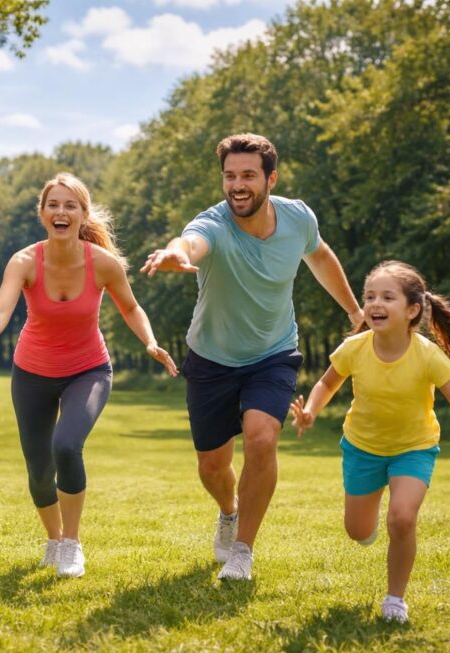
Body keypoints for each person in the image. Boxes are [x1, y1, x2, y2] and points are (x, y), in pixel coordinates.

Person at [140, 133, 364, 581]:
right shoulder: (213, 224)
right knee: (212, 465)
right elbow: (190, 243)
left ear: (270, 178)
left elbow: (319, 256)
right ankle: (228, 511)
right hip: (211, 357)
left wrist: (354, 309)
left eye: (247, 175)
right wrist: (174, 254)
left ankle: (243, 548)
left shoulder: (298, 217)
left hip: (273, 352)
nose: (237, 185)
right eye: (229, 176)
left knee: (262, 438)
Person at [290, 260, 450, 623]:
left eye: (388, 297)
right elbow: (327, 383)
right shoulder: (355, 348)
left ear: (412, 310)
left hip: (413, 449)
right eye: (370, 296)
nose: (375, 303)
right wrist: (310, 409)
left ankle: (394, 600)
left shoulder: (428, 355)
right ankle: (367, 526)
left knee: (402, 518)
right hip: (362, 447)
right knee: (357, 531)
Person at [0, 172, 177, 579]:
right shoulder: (25, 261)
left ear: (83, 214)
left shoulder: (103, 264)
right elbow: (2, 307)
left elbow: (131, 308)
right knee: (39, 470)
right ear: (43, 213)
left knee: (66, 445)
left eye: (70, 205)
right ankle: (54, 539)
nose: (61, 212)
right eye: (53, 205)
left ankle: (73, 544)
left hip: (89, 370)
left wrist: (149, 342)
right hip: (33, 372)